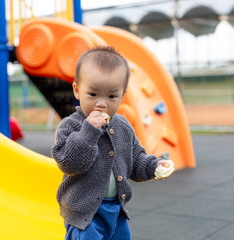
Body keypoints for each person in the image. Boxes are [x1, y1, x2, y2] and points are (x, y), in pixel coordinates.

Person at [51, 46, 173, 240]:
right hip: (84, 213)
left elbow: (136, 160)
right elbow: (69, 163)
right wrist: (89, 131)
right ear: (77, 90)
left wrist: (153, 166)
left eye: (111, 96)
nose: (102, 103)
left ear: (122, 96)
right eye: (92, 94)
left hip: (116, 210)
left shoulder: (123, 126)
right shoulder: (71, 126)